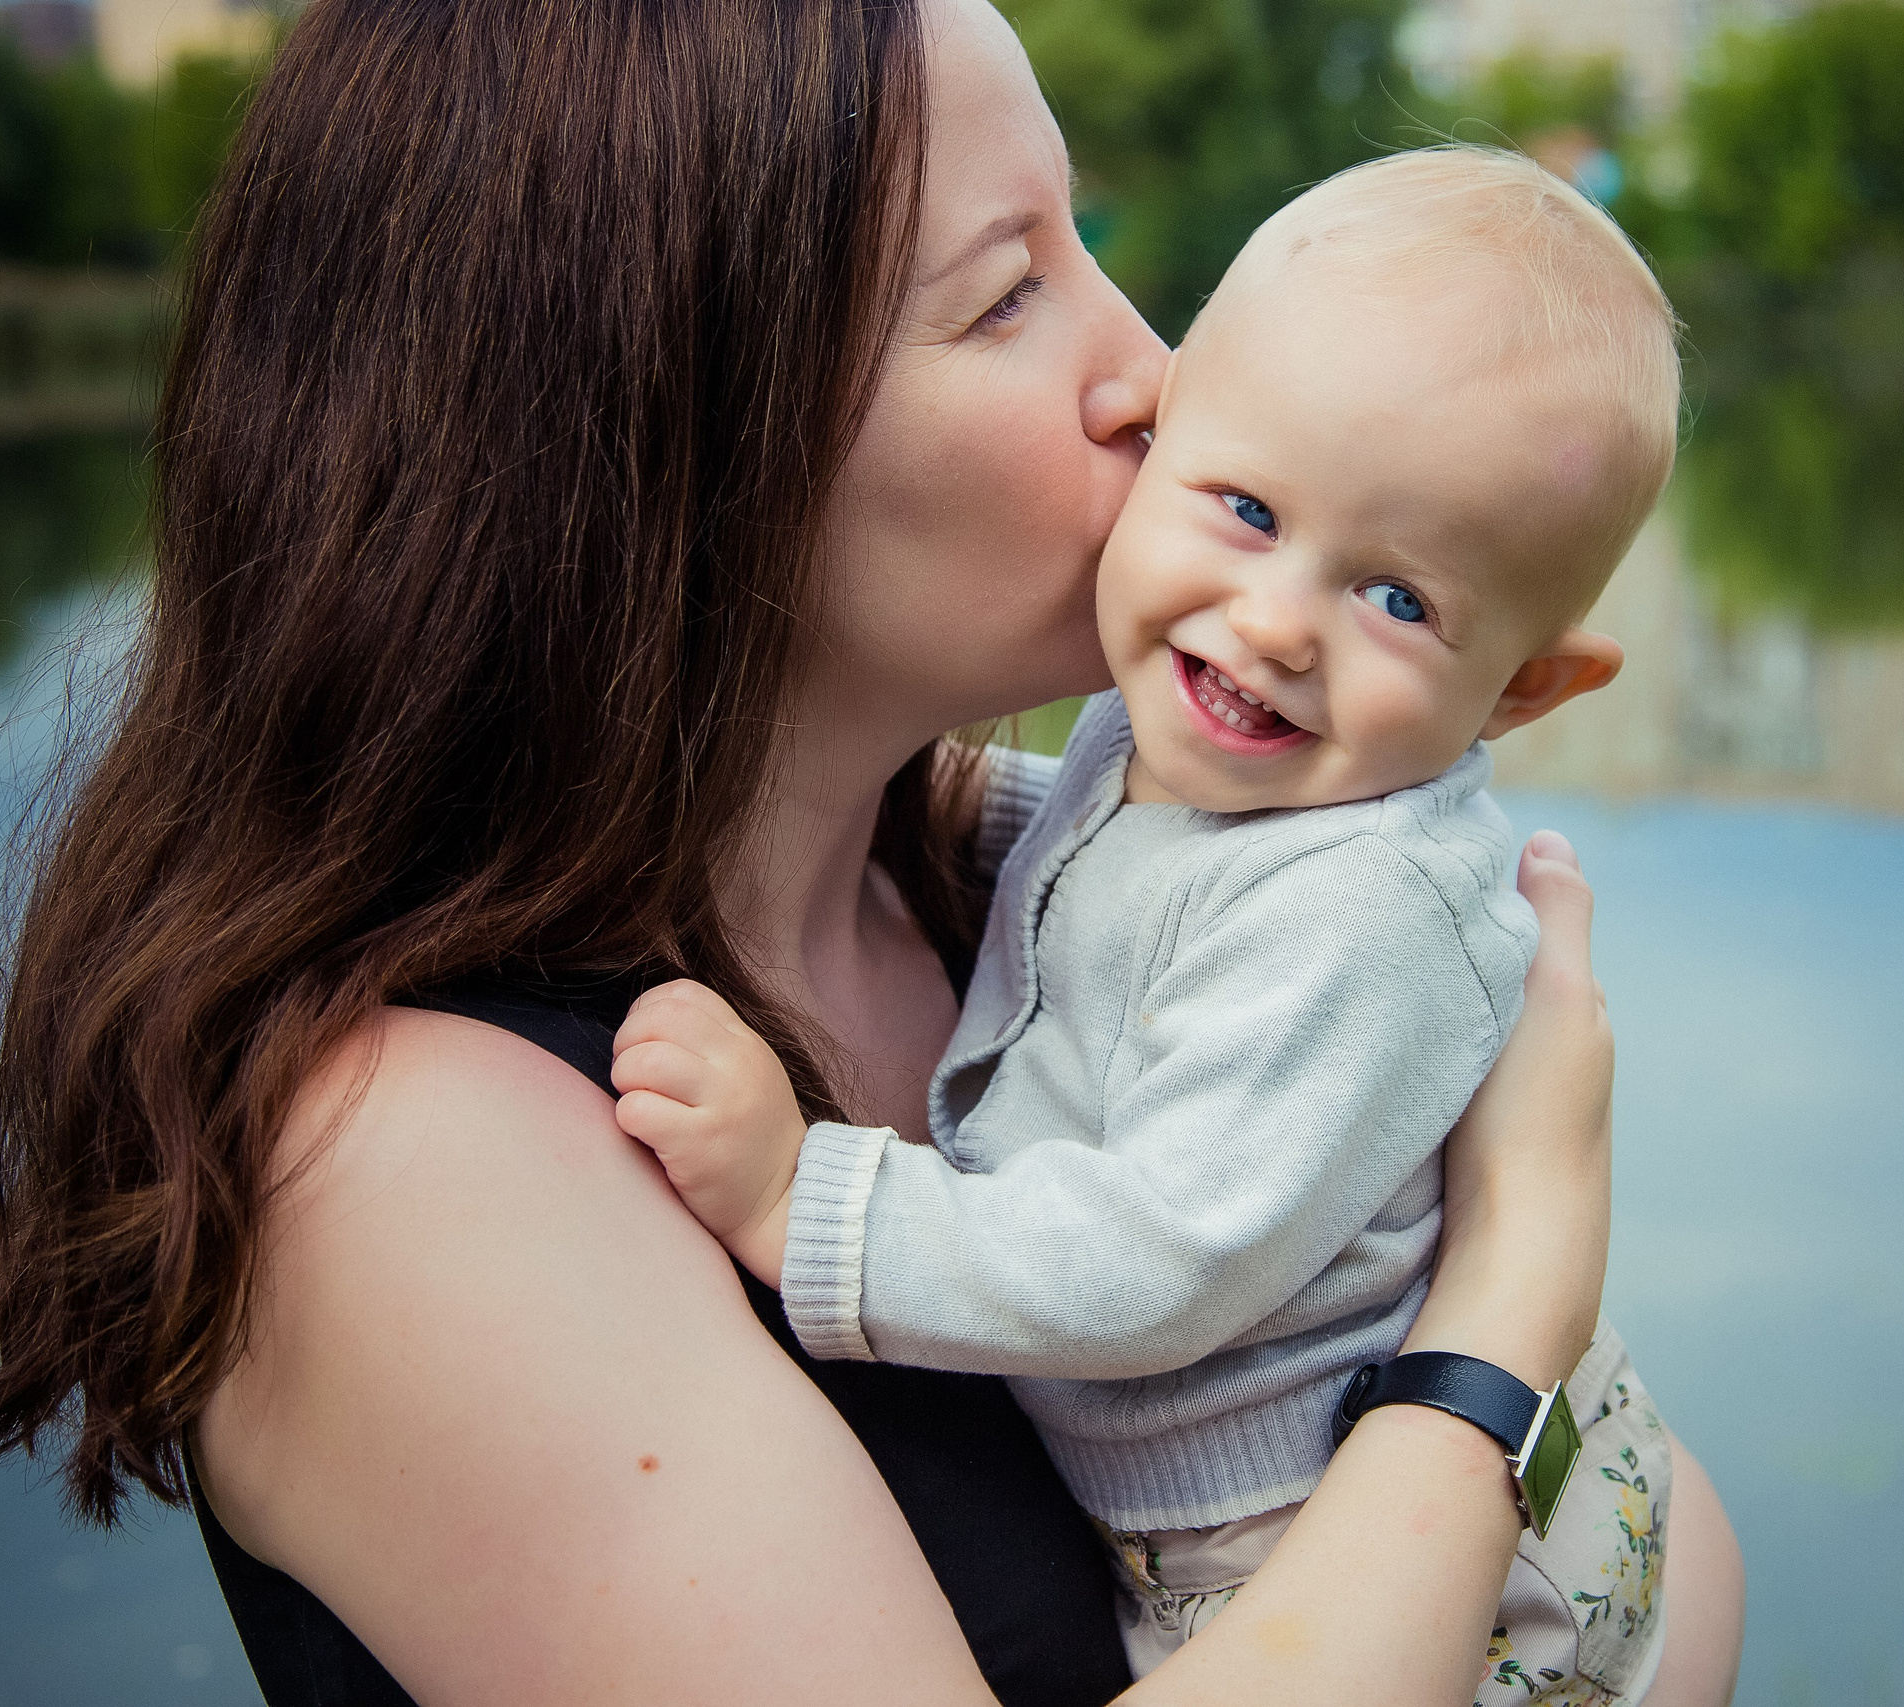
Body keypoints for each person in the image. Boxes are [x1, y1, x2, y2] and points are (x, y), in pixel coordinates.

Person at [0, 0, 1745, 1701]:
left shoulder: (1021, 874)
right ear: (665, 428)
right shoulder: (412, 1167)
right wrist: (1510, 1299)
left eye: (1086, 243)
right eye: (1012, 294)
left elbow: (1659, 1575)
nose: (1153, 370)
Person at [615, 145, 1685, 1703]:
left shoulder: (1363, 912)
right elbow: (1115, 867)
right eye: (1247, 509)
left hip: (1313, 1541)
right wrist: (903, 799)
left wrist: (808, 1200)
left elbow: (1157, 1257)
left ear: (1525, 687)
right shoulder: (1204, 751)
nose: (1276, 622)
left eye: (1398, 600)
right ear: (1167, 434)